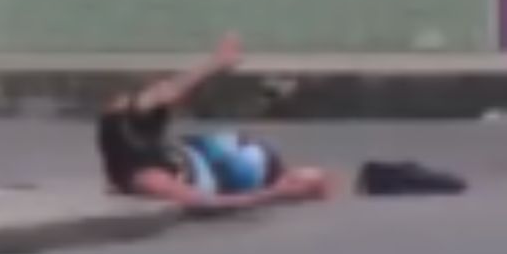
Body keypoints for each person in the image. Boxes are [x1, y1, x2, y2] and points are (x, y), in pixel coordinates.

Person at [96, 33, 333, 211]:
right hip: (228, 170)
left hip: (215, 153)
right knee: (269, 169)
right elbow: (209, 202)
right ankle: (302, 183)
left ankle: (304, 182)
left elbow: (169, 90)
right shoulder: (146, 177)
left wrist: (217, 62)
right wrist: (276, 194)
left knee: (154, 101)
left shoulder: (134, 124)